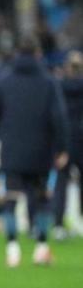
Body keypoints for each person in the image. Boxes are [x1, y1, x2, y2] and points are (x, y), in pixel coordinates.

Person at [0, 35, 69, 267]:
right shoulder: (49, 82)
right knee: (42, 199)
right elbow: (59, 118)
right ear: (39, 54)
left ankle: (12, 250)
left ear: (17, 54)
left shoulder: (4, 81)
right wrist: (62, 148)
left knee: (11, 198)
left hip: (11, 150)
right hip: (42, 150)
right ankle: (41, 248)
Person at [52, 50, 83, 239]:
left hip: (64, 140)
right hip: (81, 138)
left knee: (61, 183)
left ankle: (58, 224)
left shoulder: (59, 87)